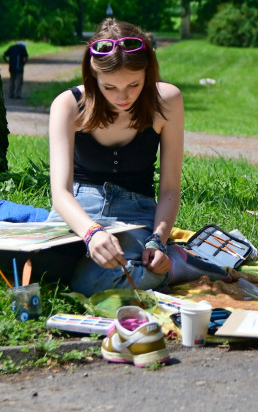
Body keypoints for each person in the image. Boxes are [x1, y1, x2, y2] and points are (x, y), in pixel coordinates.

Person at [47, 19, 184, 296]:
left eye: (133, 84)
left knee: (92, 281)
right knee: (21, 265)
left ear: (148, 71)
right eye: (109, 87)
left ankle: (173, 266)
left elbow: (169, 188)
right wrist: (91, 233)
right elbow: (60, 193)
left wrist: (157, 241)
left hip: (136, 214)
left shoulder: (167, 101)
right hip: (79, 209)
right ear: (93, 76)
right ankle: (137, 273)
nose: (123, 97)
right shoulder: (68, 105)